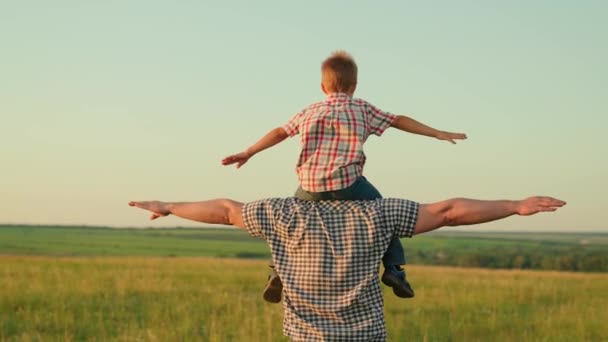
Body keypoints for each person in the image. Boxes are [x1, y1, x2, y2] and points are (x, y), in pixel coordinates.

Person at [129, 195, 565, 341]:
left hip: (307, 337)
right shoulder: (380, 212)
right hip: (364, 334)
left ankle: (275, 271)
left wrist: (169, 206)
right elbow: (448, 211)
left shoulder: (283, 212)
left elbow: (225, 210)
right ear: (358, 168)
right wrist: (513, 206)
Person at [222, 51, 467, 302]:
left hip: (310, 186)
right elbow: (398, 120)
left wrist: (249, 151)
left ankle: (278, 271)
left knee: (288, 222)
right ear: (354, 86)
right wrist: (436, 132)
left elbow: (279, 132)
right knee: (386, 215)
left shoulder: (309, 111)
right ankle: (394, 269)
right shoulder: (362, 108)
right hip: (349, 183)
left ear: (322, 87)